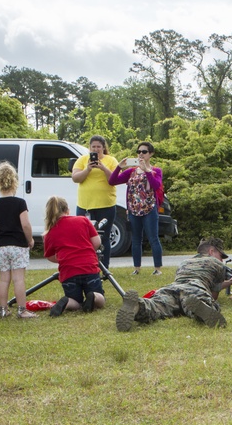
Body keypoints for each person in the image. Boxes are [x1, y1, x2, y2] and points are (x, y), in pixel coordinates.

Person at [116, 237, 232, 331]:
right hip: (195, 287)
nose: (222, 260)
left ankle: (138, 306)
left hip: (172, 287)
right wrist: (231, 281)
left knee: (158, 306)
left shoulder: (185, 262)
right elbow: (214, 293)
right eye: (221, 256)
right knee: (205, 303)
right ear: (211, 251)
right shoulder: (217, 263)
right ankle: (199, 308)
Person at [0, 161, 36, 319]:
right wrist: (30, 239)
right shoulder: (20, 203)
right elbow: (25, 224)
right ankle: (22, 310)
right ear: (15, 181)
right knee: (18, 279)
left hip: (1, 246)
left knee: (3, 279)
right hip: (18, 244)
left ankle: (3, 309)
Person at [42, 196, 106, 317]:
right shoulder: (82, 220)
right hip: (89, 267)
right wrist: (87, 252)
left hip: (68, 271)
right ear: (67, 210)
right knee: (101, 299)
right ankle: (93, 296)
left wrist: (62, 258)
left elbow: (49, 256)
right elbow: (97, 242)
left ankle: (67, 302)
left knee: (75, 301)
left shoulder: (50, 231)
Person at [107, 141, 164, 275]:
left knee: (153, 238)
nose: (141, 154)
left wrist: (147, 171)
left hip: (149, 208)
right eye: (139, 152)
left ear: (151, 154)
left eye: (144, 152)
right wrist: (118, 167)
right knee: (136, 239)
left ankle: (157, 269)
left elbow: (156, 186)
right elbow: (112, 181)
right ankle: (137, 268)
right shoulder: (131, 171)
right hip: (134, 209)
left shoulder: (156, 171)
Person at [70, 135, 119, 268]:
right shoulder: (82, 160)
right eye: (93, 147)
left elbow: (114, 180)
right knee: (84, 237)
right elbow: (75, 178)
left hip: (106, 205)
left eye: (99, 147)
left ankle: (104, 267)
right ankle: (86, 265)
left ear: (103, 148)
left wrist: (103, 168)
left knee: (104, 237)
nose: (96, 149)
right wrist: (88, 169)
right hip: (85, 205)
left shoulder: (111, 160)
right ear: (89, 148)